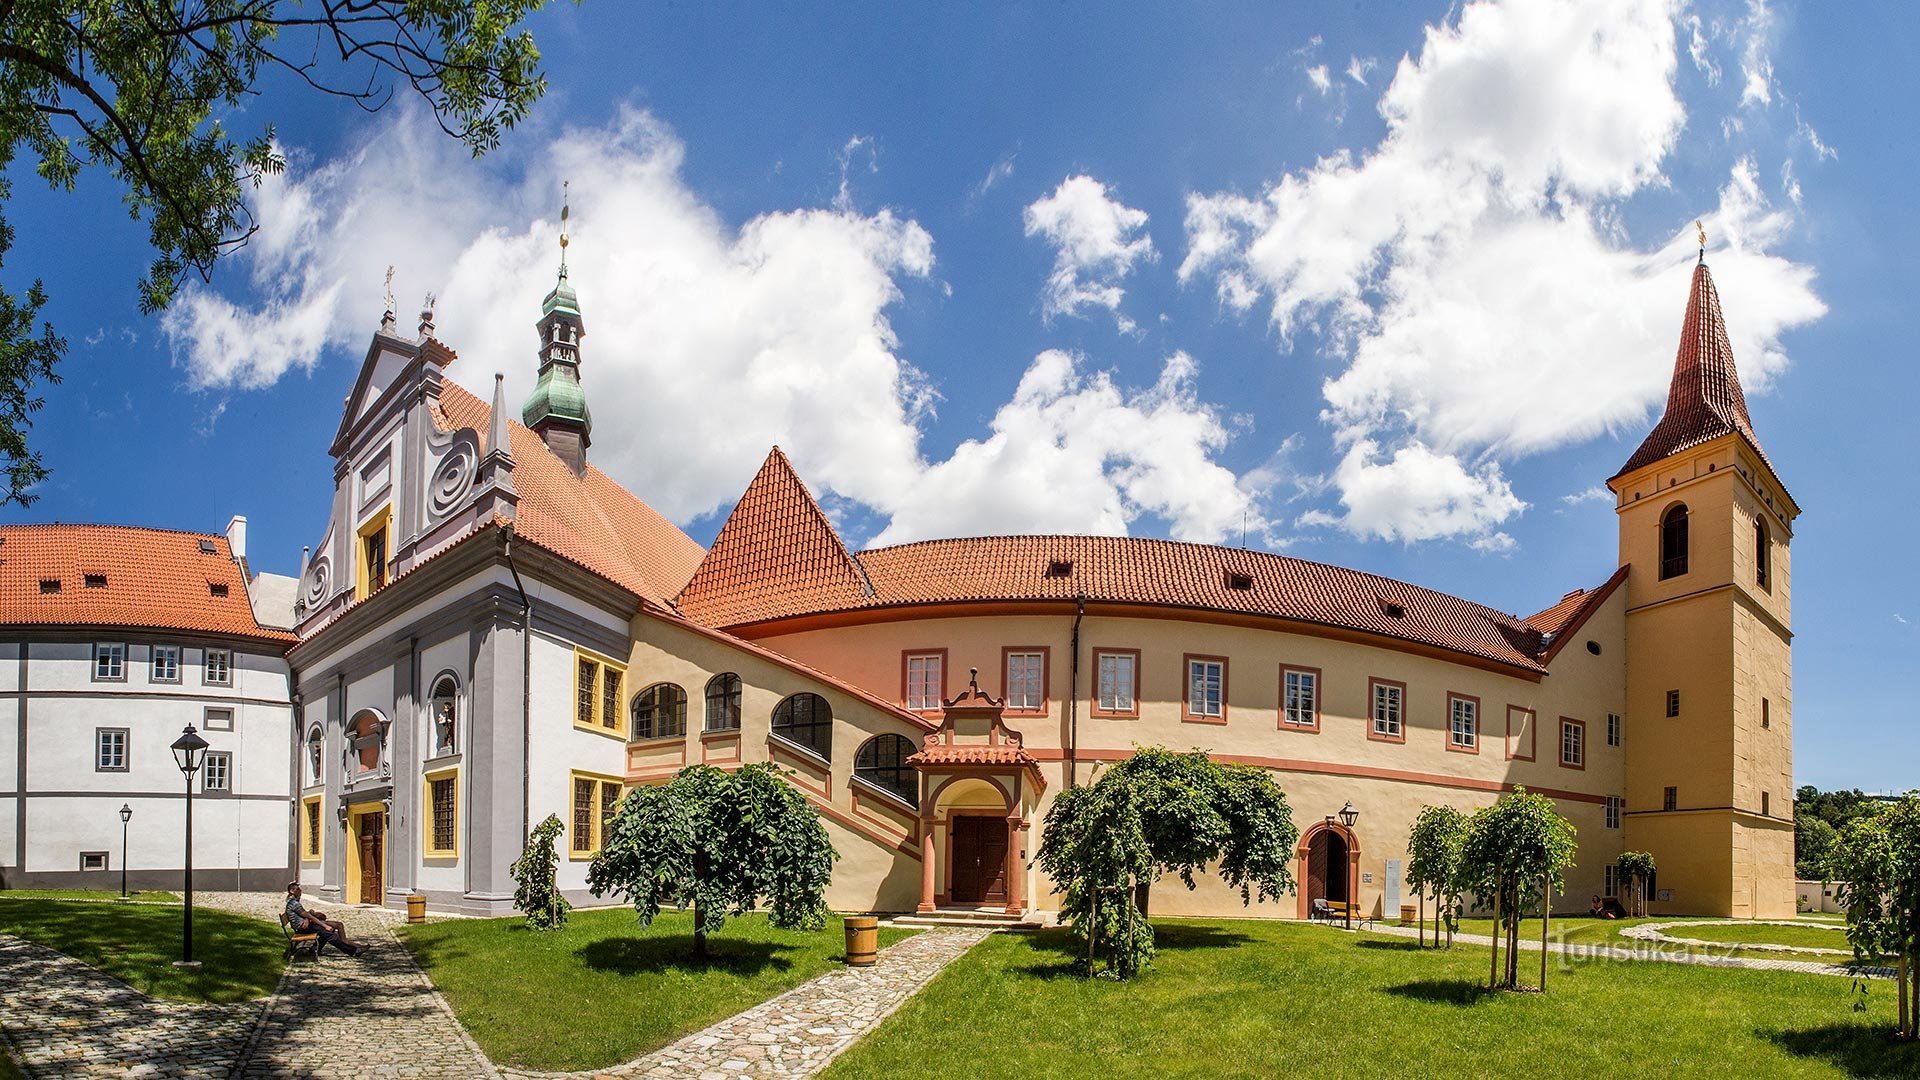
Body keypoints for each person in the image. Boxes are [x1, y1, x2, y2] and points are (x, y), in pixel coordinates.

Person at [285, 882, 366, 956]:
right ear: (292, 891)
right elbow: (310, 916)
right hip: (303, 928)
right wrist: (324, 925)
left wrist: (307, 917)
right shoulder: (294, 903)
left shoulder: (293, 901)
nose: (300, 891)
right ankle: (353, 951)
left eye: (300, 889)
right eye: (298, 889)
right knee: (328, 933)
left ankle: (315, 949)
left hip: (305, 926)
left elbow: (306, 915)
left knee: (329, 931)